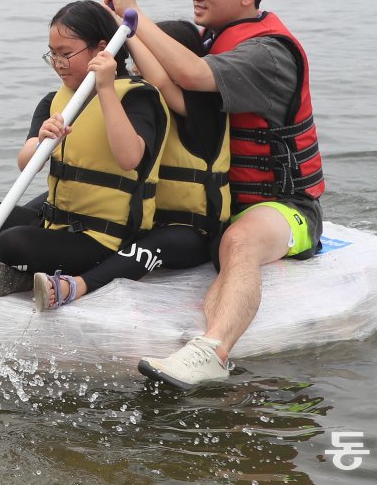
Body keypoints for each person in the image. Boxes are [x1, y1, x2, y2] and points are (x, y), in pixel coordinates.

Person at [101, 0, 325, 389]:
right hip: (220, 200)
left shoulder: (268, 53)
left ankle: (213, 351)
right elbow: (169, 86)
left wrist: (137, 12)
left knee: (239, 243)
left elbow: (191, 75)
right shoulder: (212, 40)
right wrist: (122, 22)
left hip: (284, 206)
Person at [0, 0, 170, 299]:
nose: (58, 63)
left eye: (66, 54)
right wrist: (42, 142)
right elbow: (26, 164)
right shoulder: (54, 100)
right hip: (56, 223)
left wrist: (105, 89)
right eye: (53, 54)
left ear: (100, 49)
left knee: (12, 242)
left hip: (102, 238)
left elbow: (130, 158)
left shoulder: (137, 97)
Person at [32, 19, 230, 310]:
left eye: (150, 61)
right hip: (140, 216)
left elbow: (162, 82)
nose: (139, 71)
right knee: (41, 205)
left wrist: (125, 23)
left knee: (156, 243)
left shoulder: (202, 113)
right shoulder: (139, 108)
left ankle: (76, 286)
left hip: (189, 231)